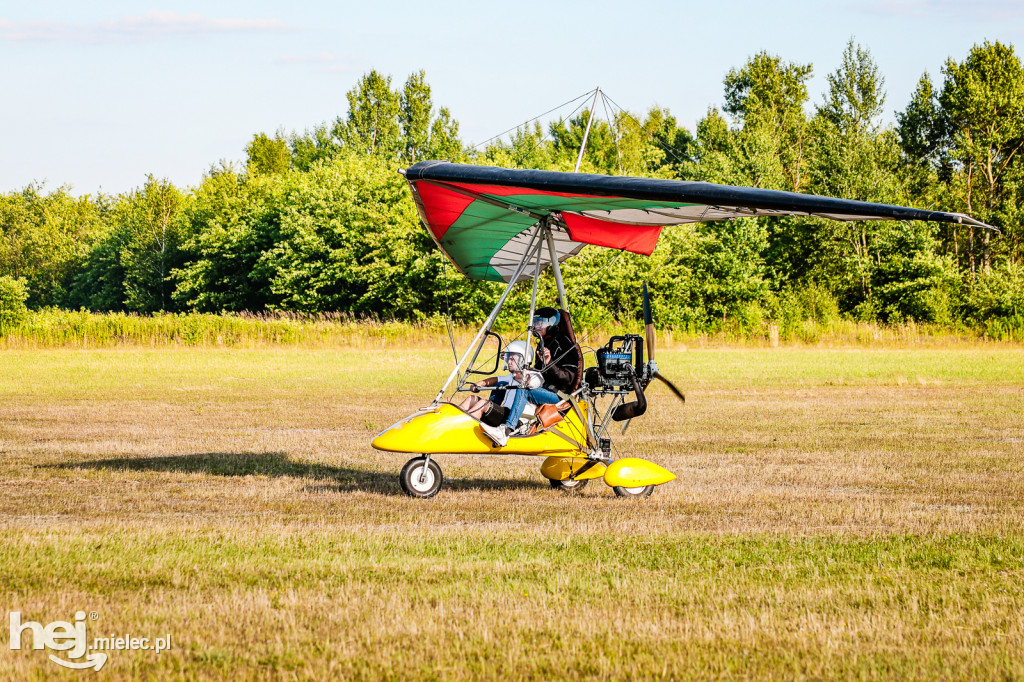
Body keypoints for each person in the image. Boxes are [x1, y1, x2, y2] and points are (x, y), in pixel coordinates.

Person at [460, 341, 557, 446]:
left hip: (518, 422)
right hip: (504, 414)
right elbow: (496, 379)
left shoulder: (535, 375)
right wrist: (481, 383)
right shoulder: (511, 376)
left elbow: (531, 382)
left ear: (524, 359)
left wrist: (521, 376)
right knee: (471, 399)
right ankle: (453, 421)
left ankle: (464, 431)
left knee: (483, 404)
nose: (508, 362)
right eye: (507, 358)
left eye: (512, 359)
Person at [529, 307, 582, 395]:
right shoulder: (543, 343)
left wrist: (549, 362)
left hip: (559, 393)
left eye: (541, 322)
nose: (537, 326)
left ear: (551, 324)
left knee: (522, 390)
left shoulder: (564, 344)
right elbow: (539, 371)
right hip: (543, 387)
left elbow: (568, 379)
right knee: (506, 385)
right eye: (535, 322)